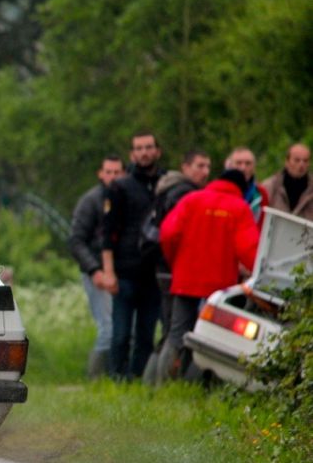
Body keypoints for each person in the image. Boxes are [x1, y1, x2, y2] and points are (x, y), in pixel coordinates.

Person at [158, 169, 260, 379]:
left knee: (177, 334)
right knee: (214, 336)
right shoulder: (239, 208)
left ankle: (165, 383)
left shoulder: (191, 200)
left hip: (186, 280)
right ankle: (203, 383)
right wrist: (258, 273)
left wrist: (174, 262)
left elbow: (168, 234)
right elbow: (249, 248)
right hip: (220, 285)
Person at [100, 130, 165, 380]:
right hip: (125, 270)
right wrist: (108, 272)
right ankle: (117, 378)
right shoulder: (120, 187)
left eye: (149, 147)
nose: (144, 152)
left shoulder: (166, 184)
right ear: (132, 154)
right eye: (139, 148)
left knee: (146, 334)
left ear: (157, 151)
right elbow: (107, 232)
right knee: (121, 333)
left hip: (153, 271)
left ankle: (138, 379)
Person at [148, 150, 211, 381]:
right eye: (199, 165)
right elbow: (171, 234)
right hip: (175, 270)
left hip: (167, 268)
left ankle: (155, 382)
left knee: (170, 331)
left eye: (207, 166)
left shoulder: (169, 187)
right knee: (175, 332)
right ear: (185, 167)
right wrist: (177, 259)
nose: (205, 172)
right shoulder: (184, 194)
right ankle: (163, 384)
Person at [69, 155, 124, 377]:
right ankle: (96, 378)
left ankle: (116, 375)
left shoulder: (126, 198)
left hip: (121, 272)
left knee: (120, 328)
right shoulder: (90, 201)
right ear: (100, 173)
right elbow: (76, 240)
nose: (112, 176)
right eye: (108, 171)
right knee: (107, 328)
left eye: (117, 172)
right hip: (97, 273)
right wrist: (94, 270)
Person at [261, 143, 313, 221]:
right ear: (287, 161)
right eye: (297, 160)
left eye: (305, 161)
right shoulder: (270, 186)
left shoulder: (311, 188)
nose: (301, 164)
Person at [226, 147, 269, 224]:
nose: (243, 168)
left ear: (254, 167)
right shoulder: (222, 191)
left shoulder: (261, 193)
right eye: (238, 163)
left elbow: (263, 223)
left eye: (248, 163)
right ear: (230, 166)